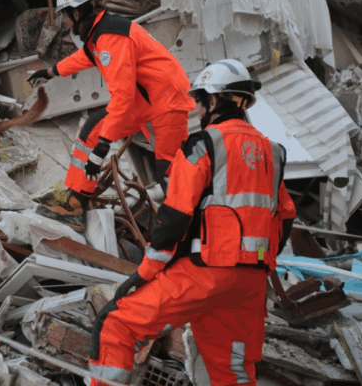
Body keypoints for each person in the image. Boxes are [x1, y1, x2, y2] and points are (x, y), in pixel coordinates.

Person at [88, 60, 297, 386]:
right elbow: (286, 216)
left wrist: (144, 273)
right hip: (251, 284)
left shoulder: (203, 144)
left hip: (204, 273)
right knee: (233, 371)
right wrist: (258, 262)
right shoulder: (274, 152)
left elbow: (175, 216)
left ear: (214, 100)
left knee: (117, 325)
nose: (198, 109)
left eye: (200, 101)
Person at [28, 0, 195, 233]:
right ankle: (76, 203)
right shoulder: (102, 32)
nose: (65, 22)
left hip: (164, 103)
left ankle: (187, 230)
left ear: (76, 13)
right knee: (92, 130)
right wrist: (51, 72)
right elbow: (86, 57)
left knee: (170, 172)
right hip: (149, 100)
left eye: (65, 15)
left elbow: (122, 95)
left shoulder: (110, 37)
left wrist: (103, 146)